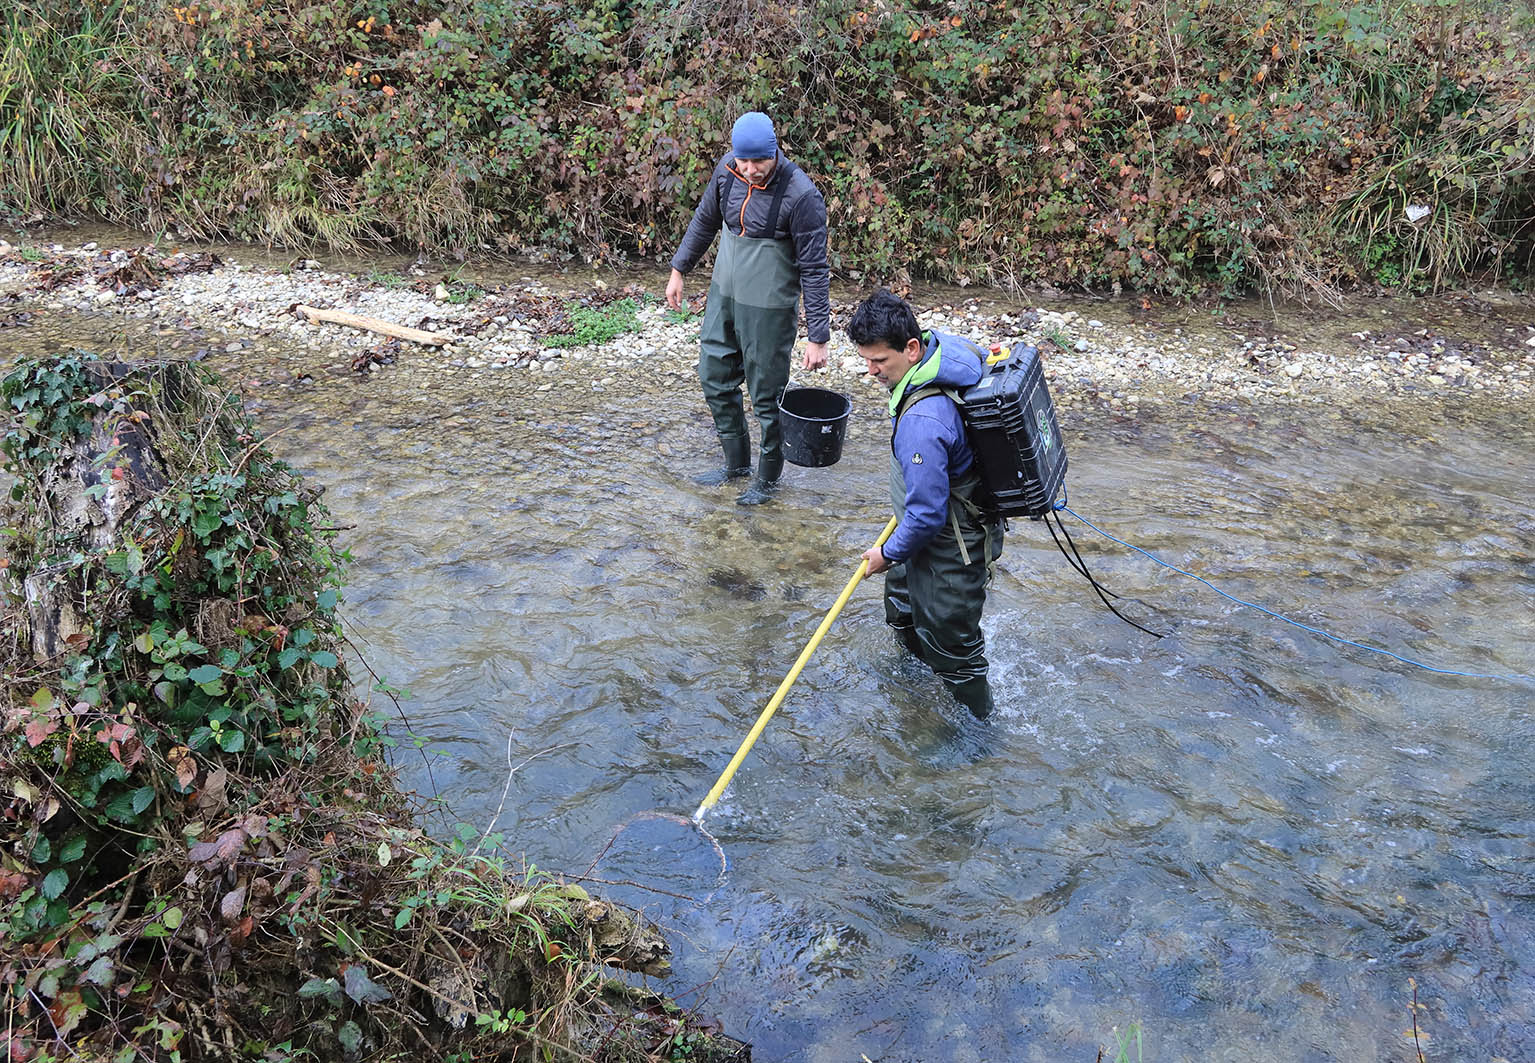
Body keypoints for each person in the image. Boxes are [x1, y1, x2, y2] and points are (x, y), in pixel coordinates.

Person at [847, 290, 1005, 719]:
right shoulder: (942, 352)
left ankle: (979, 734)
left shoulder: (922, 420)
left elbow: (928, 515)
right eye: (866, 359)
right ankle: (916, 692)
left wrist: (885, 554)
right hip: (923, 534)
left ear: (911, 348)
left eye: (879, 361)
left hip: (950, 548)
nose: (871, 370)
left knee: (956, 653)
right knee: (902, 613)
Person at [666, 112, 830, 505]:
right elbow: (705, 220)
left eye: (761, 161)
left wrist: (818, 336)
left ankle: (768, 479)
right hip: (725, 294)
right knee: (713, 376)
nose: (752, 170)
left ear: (775, 152)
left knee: (766, 397)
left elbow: (814, 267)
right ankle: (735, 465)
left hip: (770, 309)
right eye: (745, 161)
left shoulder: (801, 195)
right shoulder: (726, 172)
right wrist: (678, 269)